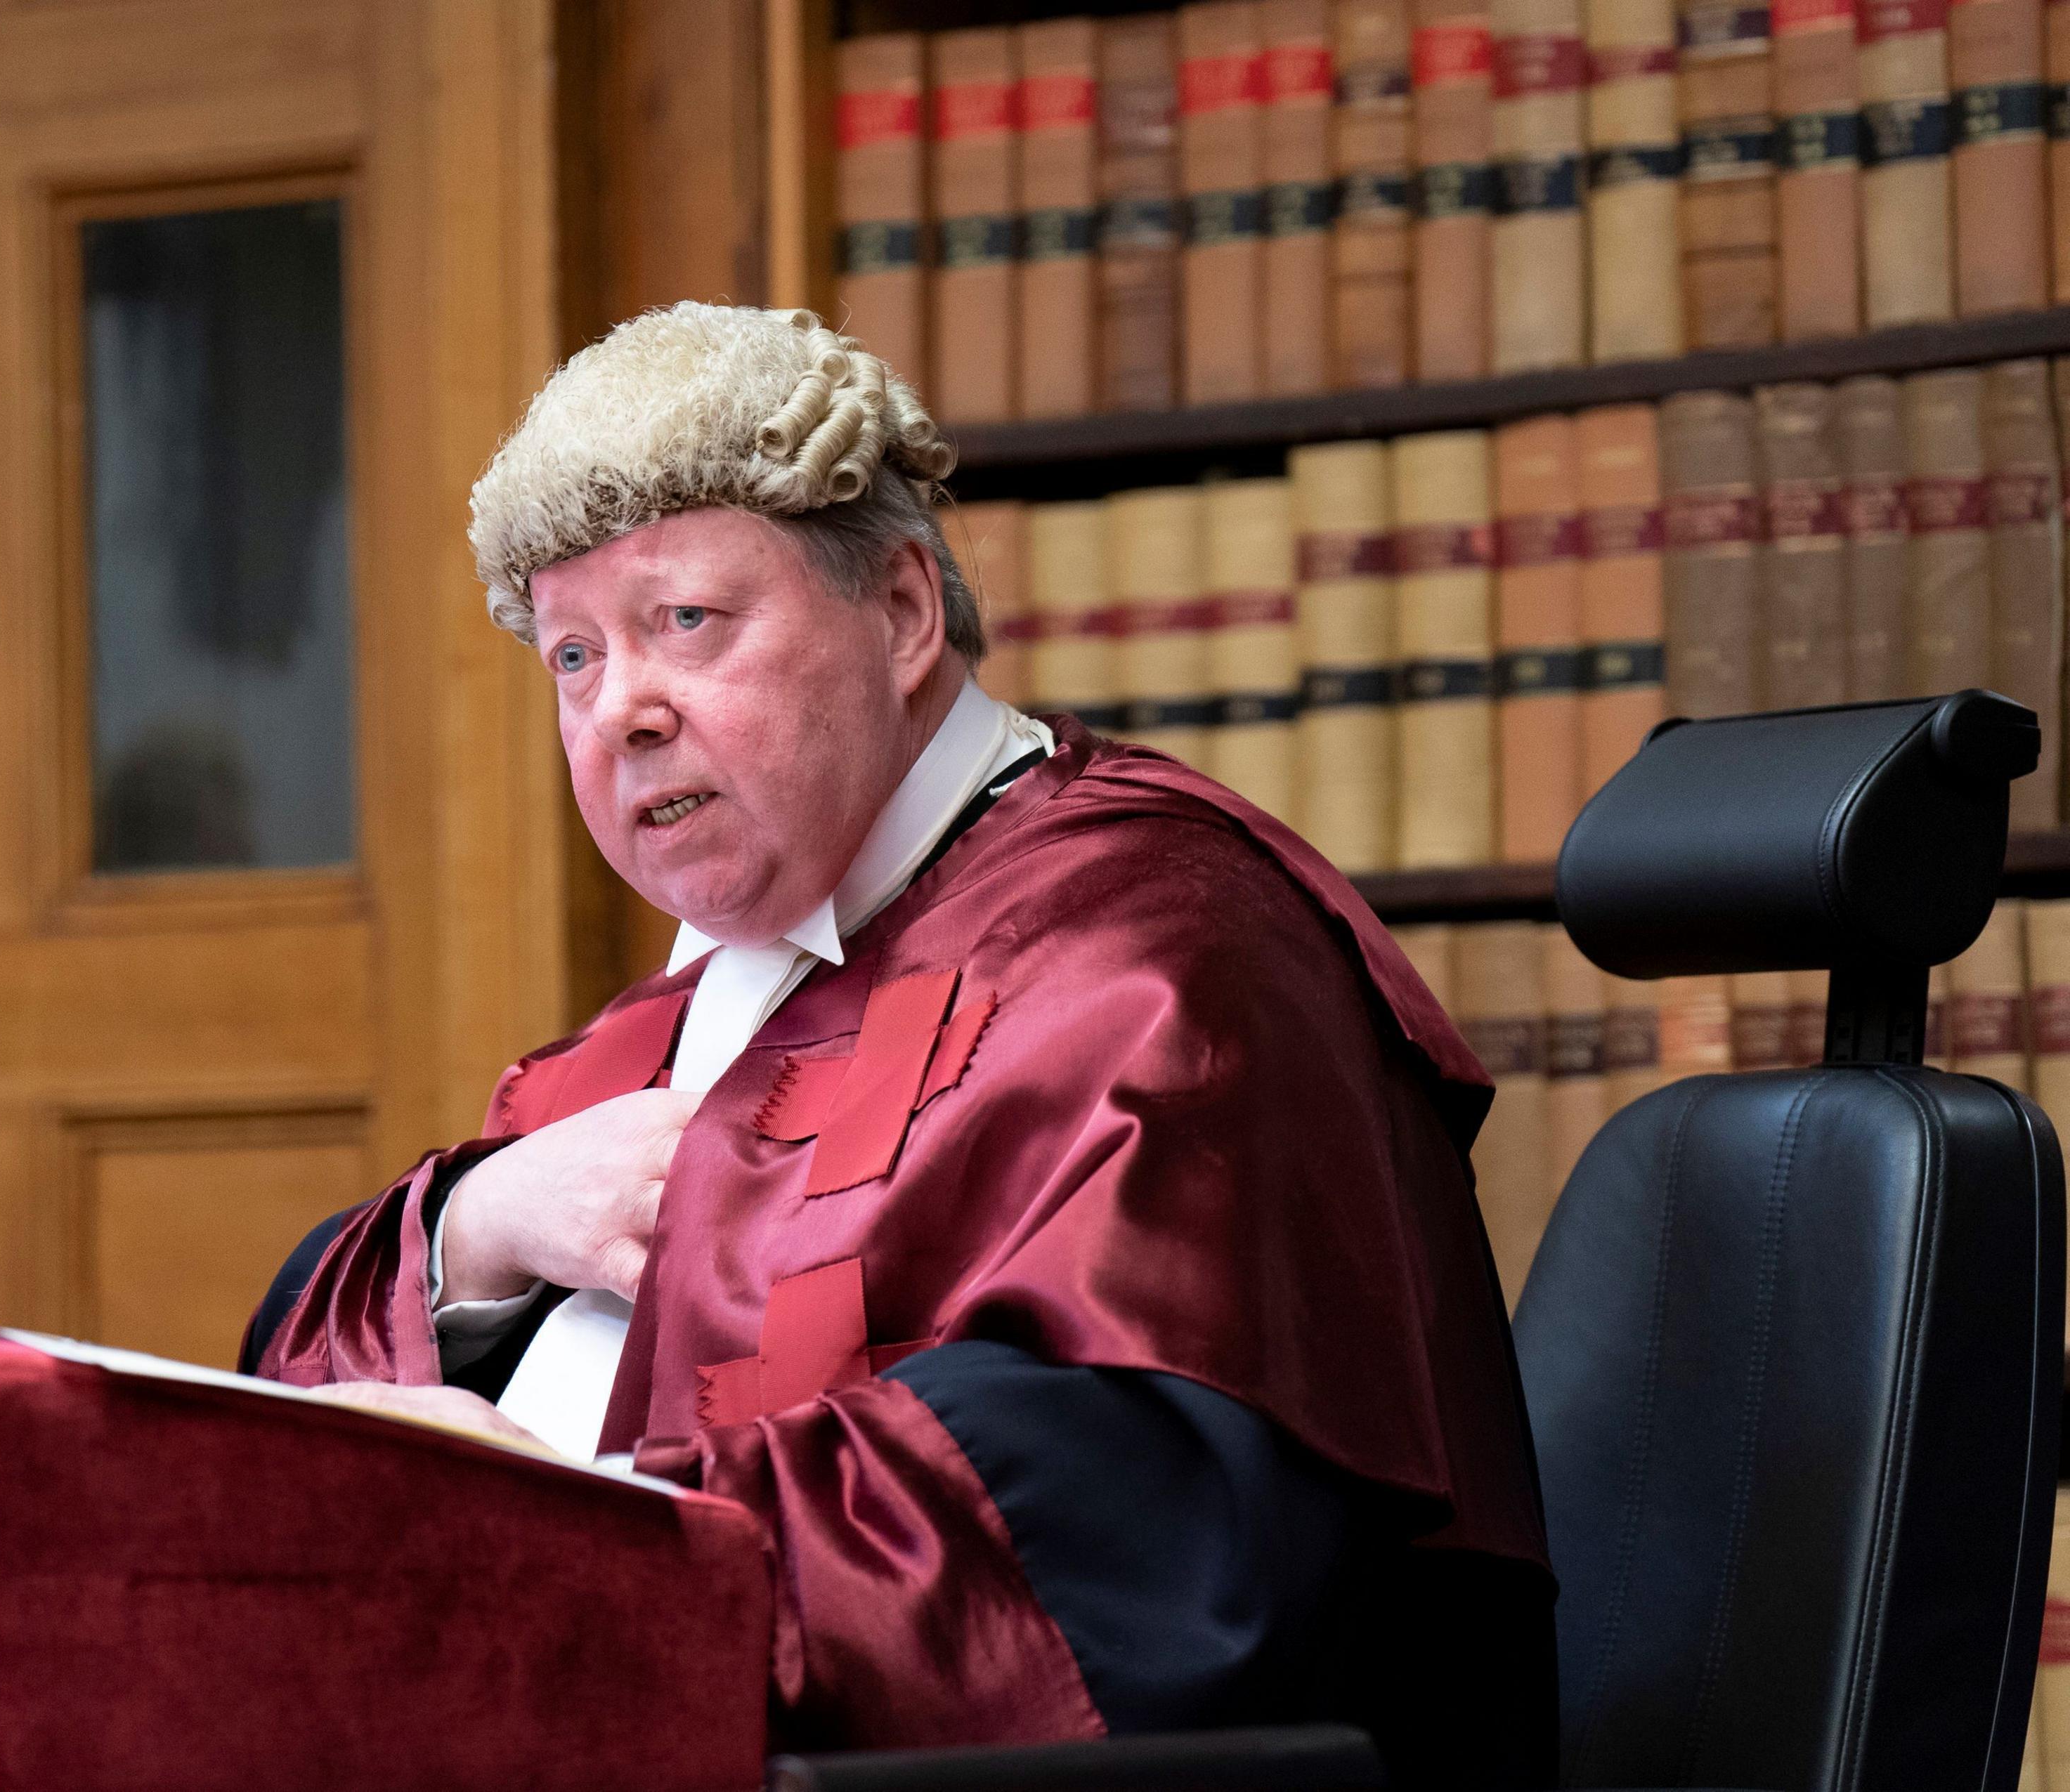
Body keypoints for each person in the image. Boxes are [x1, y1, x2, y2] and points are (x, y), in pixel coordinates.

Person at [241, 304, 1554, 1785]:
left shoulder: (1163, 958)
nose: (624, 712)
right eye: (572, 656)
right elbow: (293, 1433)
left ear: (905, 614)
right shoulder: (654, 1034)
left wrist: (576, 1528)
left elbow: (1123, 1540)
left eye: (688, 622)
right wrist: (473, 1228)